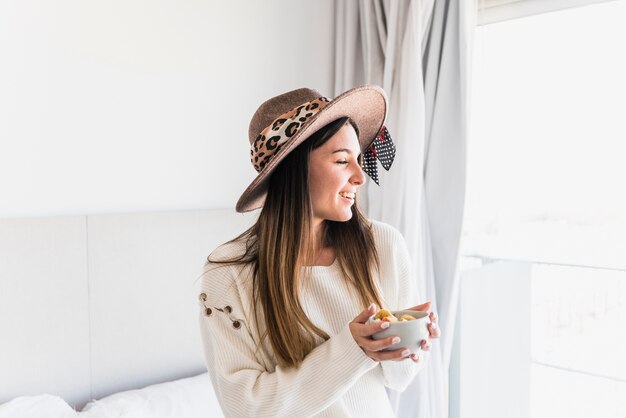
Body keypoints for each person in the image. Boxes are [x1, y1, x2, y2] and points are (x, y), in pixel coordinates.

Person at [198, 85, 440, 417]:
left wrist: (407, 344)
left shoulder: (384, 245)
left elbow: (400, 380)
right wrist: (353, 348)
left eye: (358, 160)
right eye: (342, 160)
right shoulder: (228, 275)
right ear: (293, 171)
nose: (359, 177)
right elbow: (247, 409)